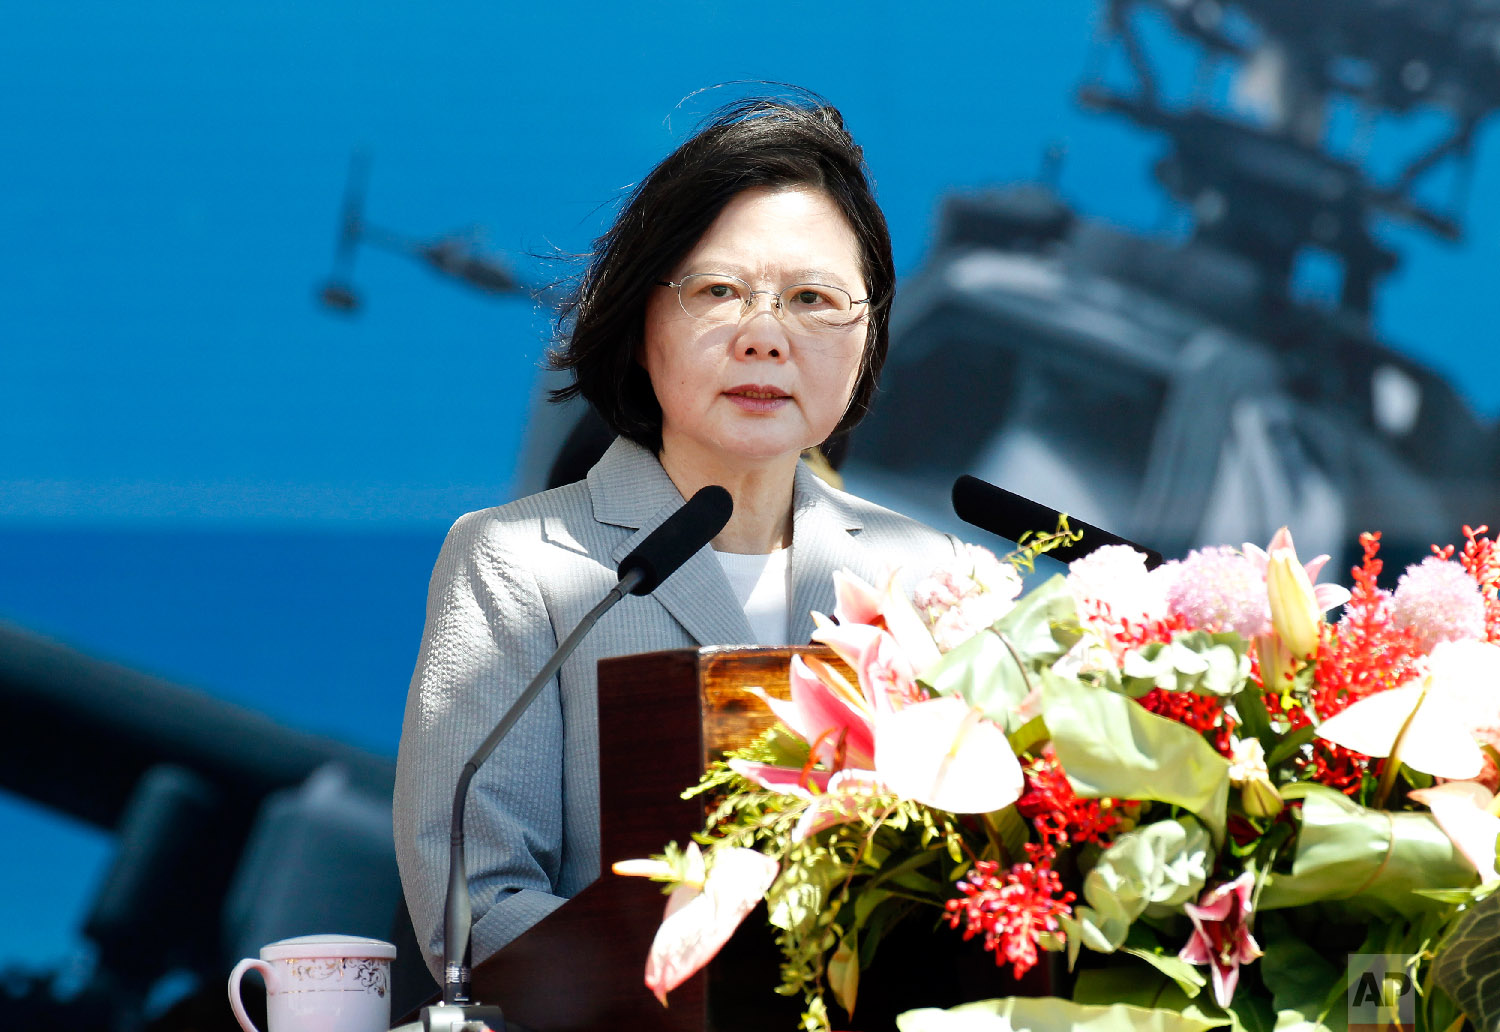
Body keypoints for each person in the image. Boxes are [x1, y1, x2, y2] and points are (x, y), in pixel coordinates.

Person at [393, 92, 960, 982]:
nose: (766, 337)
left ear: (869, 334)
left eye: (814, 299)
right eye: (720, 292)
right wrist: (702, 975)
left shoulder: (932, 577)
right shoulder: (518, 566)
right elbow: (480, 904)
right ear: (640, 320)